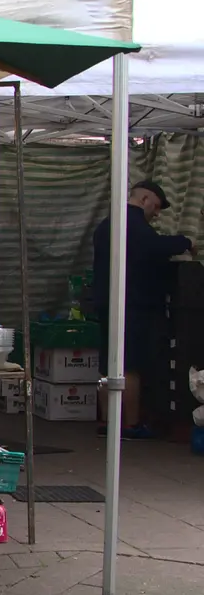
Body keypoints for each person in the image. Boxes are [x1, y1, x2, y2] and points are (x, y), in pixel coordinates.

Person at [92, 179, 195, 438]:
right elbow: (155, 246)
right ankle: (131, 425)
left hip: (105, 302)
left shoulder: (107, 224)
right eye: (156, 207)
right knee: (130, 365)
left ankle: (107, 422)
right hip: (131, 305)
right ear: (145, 200)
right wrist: (187, 241)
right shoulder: (135, 225)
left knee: (108, 364)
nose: (156, 214)